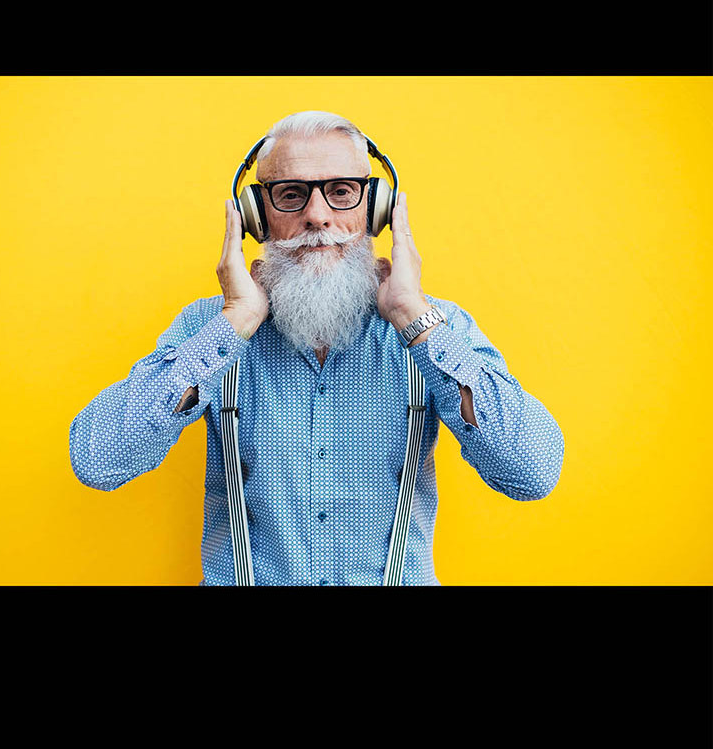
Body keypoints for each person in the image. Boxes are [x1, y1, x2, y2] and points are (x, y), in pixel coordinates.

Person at [69, 110, 565, 585]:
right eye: (290, 195)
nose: (317, 217)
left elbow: (532, 472)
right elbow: (98, 460)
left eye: (342, 192)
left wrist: (415, 319)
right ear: (256, 217)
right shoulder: (210, 328)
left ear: (377, 210)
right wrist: (234, 322)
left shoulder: (437, 327)